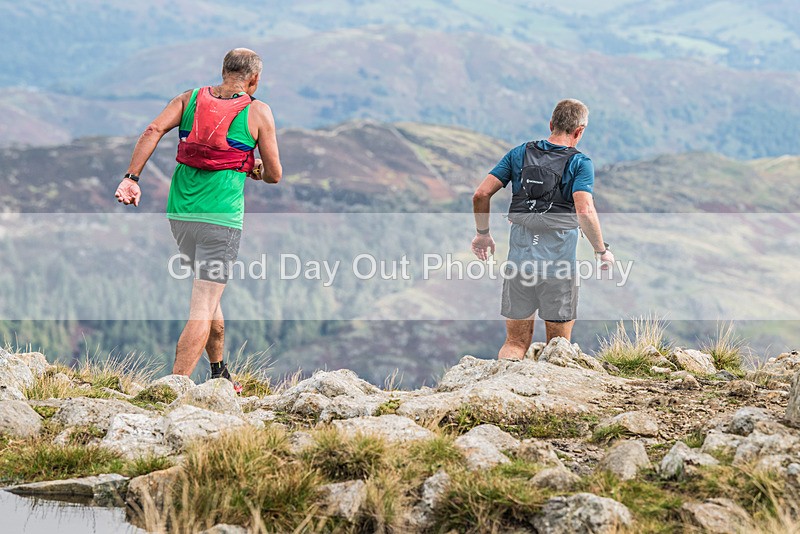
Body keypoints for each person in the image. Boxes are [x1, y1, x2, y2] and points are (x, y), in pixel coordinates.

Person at [114, 48, 282, 385]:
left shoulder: (188, 99)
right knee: (204, 303)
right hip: (220, 220)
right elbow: (275, 174)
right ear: (254, 79)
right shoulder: (258, 112)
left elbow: (151, 130)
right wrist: (254, 167)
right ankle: (174, 389)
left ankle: (219, 370)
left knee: (207, 294)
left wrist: (131, 178)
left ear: (223, 70)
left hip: (181, 215)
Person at [471, 99, 614, 360]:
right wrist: (601, 251)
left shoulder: (518, 154)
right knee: (558, 348)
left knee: (514, 343)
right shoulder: (580, 163)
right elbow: (584, 210)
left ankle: (505, 391)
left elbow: (481, 194)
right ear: (579, 131)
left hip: (519, 263)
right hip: (558, 267)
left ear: (551, 124)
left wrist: (483, 234)